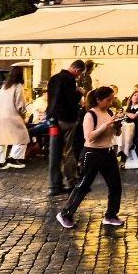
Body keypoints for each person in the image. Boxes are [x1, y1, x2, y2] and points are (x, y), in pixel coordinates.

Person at [56, 86, 125, 229]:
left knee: (115, 185)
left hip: (108, 152)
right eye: (108, 100)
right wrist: (106, 125)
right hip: (92, 153)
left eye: (112, 99)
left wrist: (117, 126)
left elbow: (116, 134)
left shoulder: (109, 112)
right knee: (83, 185)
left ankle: (111, 215)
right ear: (99, 100)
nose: (111, 102)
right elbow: (90, 137)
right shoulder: (90, 115)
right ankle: (65, 213)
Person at [46, 60, 85, 195]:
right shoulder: (69, 80)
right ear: (77, 70)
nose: (78, 76)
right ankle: (72, 181)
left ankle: (54, 185)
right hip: (67, 120)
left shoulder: (53, 78)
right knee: (68, 151)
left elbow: (51, 99)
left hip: (53, 119)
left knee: (54, 152)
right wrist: (79, 92)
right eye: (79, 73)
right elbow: (71, 100)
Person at [0, 67, 31, 171]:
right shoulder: (18, 87)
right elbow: (20, 105)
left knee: (1, 139)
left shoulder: (4, 87)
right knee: (22, 137)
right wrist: (24, 114)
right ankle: (14, 158)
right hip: (12, 116)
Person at [121, 90, 138, 168]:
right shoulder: (129, 108)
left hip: (137, 130)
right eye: (135, 95)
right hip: (126, 130)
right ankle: (123, 159)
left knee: (133, 140)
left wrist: (124, 112)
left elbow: (134, 116)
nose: (136, 97)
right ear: (131, 97)